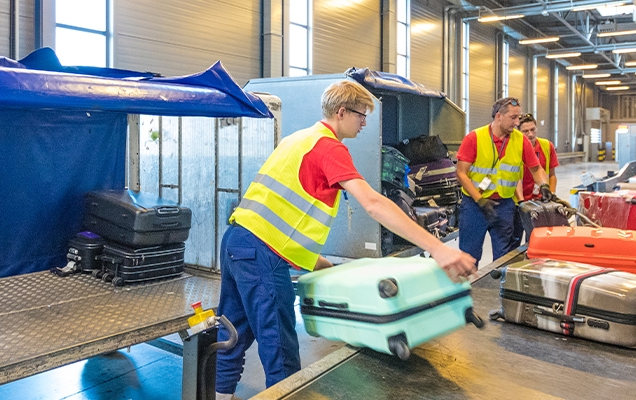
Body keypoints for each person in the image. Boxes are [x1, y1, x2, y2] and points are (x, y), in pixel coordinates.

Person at [215, 81, 478, 400]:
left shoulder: (298, 138)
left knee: (232, 333)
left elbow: (283, 210)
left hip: (237, 242)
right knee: (280, 349)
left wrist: (320, 262)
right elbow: (374, 203)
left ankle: (221, 394)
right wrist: (437, 248)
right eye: (361, 115)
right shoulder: (329, 146)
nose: (364, 122)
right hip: (261, 254)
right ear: (341, 112)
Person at [455, 97, 552, 263]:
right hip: (474, 206)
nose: (517, 123)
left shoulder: (521, 140)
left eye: (518, 118)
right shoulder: (474, 138)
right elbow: (461, 173)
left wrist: (544, 185)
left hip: (504, 206)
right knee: (468, 257)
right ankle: (467, 287)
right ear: (499, 116)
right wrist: (480, 200)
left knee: (504, 257)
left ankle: (499, 287)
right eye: (513, 118)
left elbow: (536, 169)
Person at [510, 113, 559, 248]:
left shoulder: (546, 146)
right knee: (513, 242)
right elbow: (515, 177)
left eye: (533, 130)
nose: (530, 134)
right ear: (518, 132)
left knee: (536, 240)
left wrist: (551, 193)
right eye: (525, 131)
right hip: (517, 202)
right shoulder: (513, 148)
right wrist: (521, 203)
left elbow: (552, 174)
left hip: (539, 201)